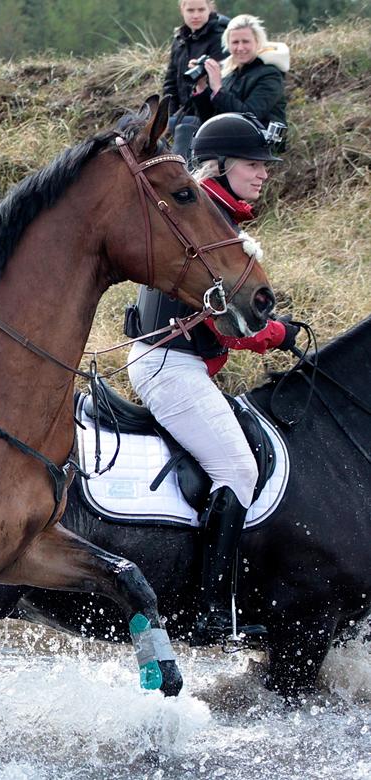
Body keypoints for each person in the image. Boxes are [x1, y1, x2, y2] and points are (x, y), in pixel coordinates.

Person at [123, 113, 298, 643]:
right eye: (253, 164)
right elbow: (234, 329)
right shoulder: (203, 219)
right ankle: (212, 610)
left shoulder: (214, 216)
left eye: (265, 165)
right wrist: (279, 336)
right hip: (170, 367)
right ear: (220, 166)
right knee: (238, 470)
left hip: (179, 363)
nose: (263, 173)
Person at [191, 14, 288, 130]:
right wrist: (201, 87)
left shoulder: (270, 75)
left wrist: (218, 90)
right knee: (185, 129)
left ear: (257, 42)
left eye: (246, 41)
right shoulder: (229, 74)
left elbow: (250, 117)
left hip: (259, 143)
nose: (240, 48)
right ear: (228, 45)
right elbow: (210, 119)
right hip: (226, 137)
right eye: (235, 42)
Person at [162, 0, 230, 161]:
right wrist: (168, 116)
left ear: (210, 9)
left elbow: (225, 80)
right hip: (184, 111)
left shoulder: (220, 37)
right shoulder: (180, 39)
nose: (196, 15)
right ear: (182, 11)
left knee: (185, 128)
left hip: (211, 112)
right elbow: (170, 82)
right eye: (191, 10)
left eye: (201, 9)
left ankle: (182, 173)